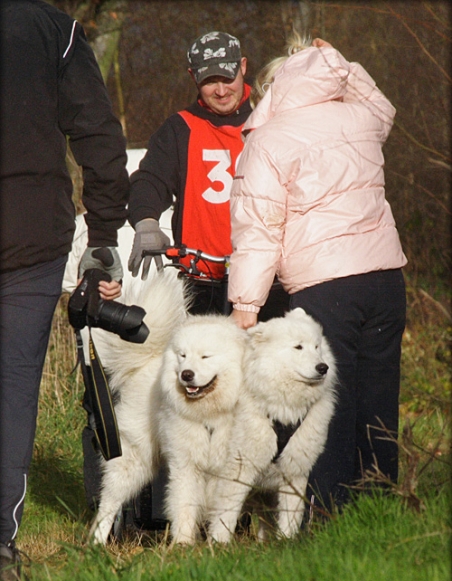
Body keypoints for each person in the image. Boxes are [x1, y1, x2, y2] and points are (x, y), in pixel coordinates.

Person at [228, 34, 407, 513]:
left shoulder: (268, 139)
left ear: (270, 89)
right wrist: (345, 65)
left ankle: (329, 516)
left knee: (329, 407)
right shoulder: (358, 118)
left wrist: (245, 305)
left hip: (329, 287)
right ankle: (380, 508)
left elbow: (259, 230)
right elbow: (384, 109)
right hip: (388, 279)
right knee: (377, 399)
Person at [0, 0, 129, 581]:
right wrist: (101, 238)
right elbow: (100, 138)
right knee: (13, 390)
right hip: (29, 238)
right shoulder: (55, 28)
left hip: (29, 242)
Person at [127, 30, 290, 319]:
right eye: (209, 81)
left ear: (243, 67)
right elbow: (150, 179)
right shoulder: (180, 129)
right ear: (193, 77)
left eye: (227, 78)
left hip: (270, 279)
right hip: (202, 281)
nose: (221, 90)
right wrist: (146, 221)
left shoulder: (274, 116)